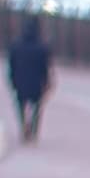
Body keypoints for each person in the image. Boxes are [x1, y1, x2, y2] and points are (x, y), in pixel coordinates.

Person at [6, 9, 53, 144]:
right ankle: (33, 128)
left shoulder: (15, 46)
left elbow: (11, 66)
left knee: (20, 104)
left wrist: (12, 80)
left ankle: (23, 126)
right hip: (36, 83)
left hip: (20, 81)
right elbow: (45, 68)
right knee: (37, 106)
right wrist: (47, 82)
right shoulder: (42, 48)